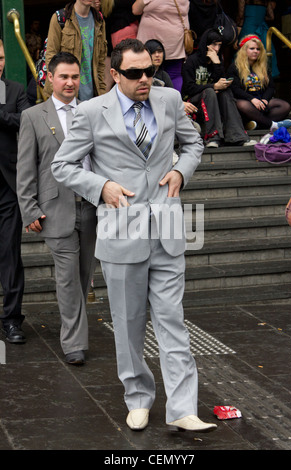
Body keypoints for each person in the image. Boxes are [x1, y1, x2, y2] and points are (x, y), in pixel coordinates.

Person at [51, 38, 217, 433]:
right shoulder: (92, 112)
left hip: (167, 227)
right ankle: (138, 397)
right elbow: (63, 164)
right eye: (134, 73)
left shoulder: (169, 100)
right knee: (127, 322)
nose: (145, 79)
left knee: (172, 320)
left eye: (149, 71)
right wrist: (101, 186)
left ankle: (181, 408)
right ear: (114, 74)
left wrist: (181, 172)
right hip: (121, 228)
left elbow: (193, 142)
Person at [17, 52, 97, 365]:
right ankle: (74, 341)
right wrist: (29, 209)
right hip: (55, 207)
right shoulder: (34, 116)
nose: (69, 82)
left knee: (83, 274)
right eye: (63, 76)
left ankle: (76, 328)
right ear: (50, 78)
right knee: (67, 277)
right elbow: (26, 169)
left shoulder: (92, 112)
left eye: (75, 77)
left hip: (91, 207)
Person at [0, 39, 30, 343]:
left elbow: (27, 120)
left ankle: (11, 319)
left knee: (10, 254)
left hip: (8, 187)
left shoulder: (14, 91)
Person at [182, 28, 256, 147]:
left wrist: (216, 63)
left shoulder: (217, 58)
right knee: (210, 91)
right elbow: (188, 88)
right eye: (213, 44)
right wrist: (213, 86)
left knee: (225, 91)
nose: (216, 49)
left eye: (219, 45)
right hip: (194, 102)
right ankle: (212, 137)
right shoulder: (192, 61)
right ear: (205, 44)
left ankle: (237, 136)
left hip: (213, 100)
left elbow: (220, 81)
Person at [44, 0, 107, 100]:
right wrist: (55, 91)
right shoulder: (60, 18)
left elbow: (100, 61)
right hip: (65, 94)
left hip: (93, 95)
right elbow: (51, 55)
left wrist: (102, 91)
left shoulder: (99, 19)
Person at [227, 34, 291, 131]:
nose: (255, 51)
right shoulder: (234, 67)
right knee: (241, 105)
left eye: (258, 49)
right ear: (244, 50)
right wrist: (252, 99)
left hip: (261, 101)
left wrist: (265, 99)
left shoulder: (263, 66)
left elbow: (271, 87)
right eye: (252, 48)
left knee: (285, 106)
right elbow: (235, 89)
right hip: (246, 102)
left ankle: (257, 124)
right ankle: (272, 125)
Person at [133, 0, 190, 92]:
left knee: (146, 73)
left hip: (152, 43)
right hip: (175, 42)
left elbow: (135, 10)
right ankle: (175, 102)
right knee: (174, 74)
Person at [236, 0, 279, 77]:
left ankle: (248, 77)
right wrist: (260, 17)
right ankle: (267, 77)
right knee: (267, 51)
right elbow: (271, 17)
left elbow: (240, 15)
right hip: (262, 29)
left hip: (248, 26)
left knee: (244, 52)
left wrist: (238, 28)